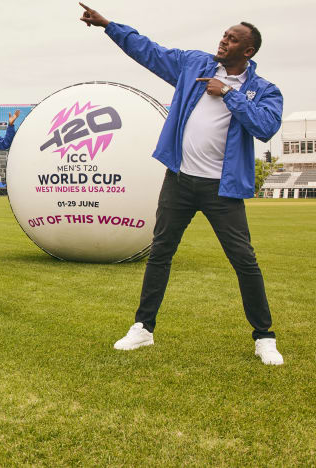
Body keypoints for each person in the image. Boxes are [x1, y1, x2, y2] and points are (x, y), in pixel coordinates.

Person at [79, 4, 284, 365]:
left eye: (233, 39)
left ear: (248, 52)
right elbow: (150, 51)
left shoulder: (264, 90)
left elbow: (266, 127)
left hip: (223, 189)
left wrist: (229, 94)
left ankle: (264, 337)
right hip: (179, 181)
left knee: (244, 260)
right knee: (160, 253)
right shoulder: (195, 65)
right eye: (224, 34)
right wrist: (109, 26)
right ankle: (143, 328)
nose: (224, 40)